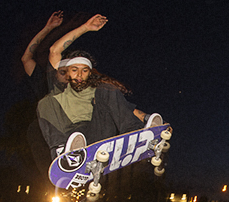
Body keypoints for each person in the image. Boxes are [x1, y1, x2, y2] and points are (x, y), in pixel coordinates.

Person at [38, 17, 161, 160]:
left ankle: (134, 134)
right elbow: (54, 50)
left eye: (84, 70)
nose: (79, 75)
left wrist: (154, 124)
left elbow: (126, 109)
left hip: (97, 131)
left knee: (106, 88)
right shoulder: (60, 87)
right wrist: (85, 27)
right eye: (74, 70)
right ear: (67, 72)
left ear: (89, 73)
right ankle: (63, 152)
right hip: (69, 138)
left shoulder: (98, 90)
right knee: (45, 102)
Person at [21, 12, 108, 175]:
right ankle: (59, 167)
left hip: (82, 127)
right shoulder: (44, 79)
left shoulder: (78, 85)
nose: (68, 76)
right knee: (34, 128)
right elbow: (28, 57)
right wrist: (48, 28)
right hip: (54, 130)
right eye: (62, 71)